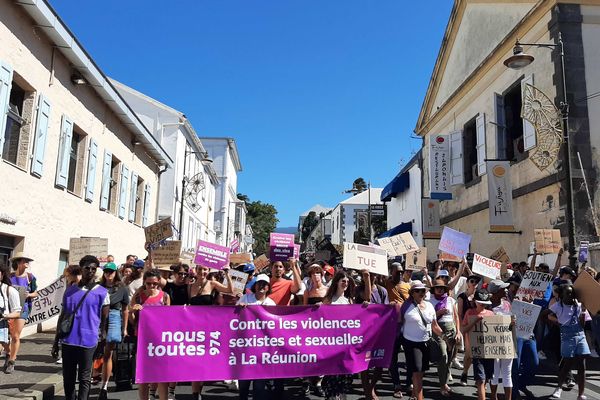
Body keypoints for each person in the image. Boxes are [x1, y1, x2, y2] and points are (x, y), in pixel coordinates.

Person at [52, 255, 109, 400]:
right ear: (81, 269)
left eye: (93, 269)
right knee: (68, 378)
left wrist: (101, 344)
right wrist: (55, 341)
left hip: (88, 341)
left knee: (84, 378)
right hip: (68, 340)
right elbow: (63, 316)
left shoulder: (102, 292)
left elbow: (104, 322)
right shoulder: (70, 290)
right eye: (87, 268)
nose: (90, 271)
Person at [189, 265, 233, 399]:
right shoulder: (190, 285)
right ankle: (195, 393)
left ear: (208, 271)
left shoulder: (212, 283)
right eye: (200, 269)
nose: (202, 272)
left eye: (205, 270)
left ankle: (199, 390)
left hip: (208, 327)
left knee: (203, 361)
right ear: (196, 270)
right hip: (193, 327)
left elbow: (229, 290)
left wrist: (227, 274)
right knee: (195, 360)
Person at [129, 269, 171, 400]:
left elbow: (170, 319)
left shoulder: (165, 296)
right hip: (142, 340)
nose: (152, 286)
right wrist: (132, 311)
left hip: (160, 340)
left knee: (162, 376)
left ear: (159, 282)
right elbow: (131, 319)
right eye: (148, 283)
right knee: (143, 376)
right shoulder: (138, 297)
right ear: (144, 283)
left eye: (155, 284)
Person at [399, 281, 443, 400]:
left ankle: (414, 394)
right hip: (411, 343)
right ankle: (419, 397)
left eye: (423, 290)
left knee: (421, 372)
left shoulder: (429, 306)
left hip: (426, 342)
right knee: (417, 373)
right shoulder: (405, 306)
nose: (420, 293)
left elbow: (434, 325)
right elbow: (399, 323)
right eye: (417, 290)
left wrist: (445, 338)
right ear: (412, 293)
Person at [236, 274, 275, 400]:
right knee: (243, 386)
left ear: (268, 287)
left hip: (262, 351)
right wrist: (239, 309)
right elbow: (233, 317)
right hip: (246, 349)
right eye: (259, 284)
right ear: (255, 286)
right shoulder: (246, 298)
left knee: (259, 387)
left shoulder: (271, 303)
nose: (261, 286)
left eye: (264, 284)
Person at [548, 282, 589, 400]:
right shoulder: (558, 306)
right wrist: (557, 322)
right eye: (568, 293)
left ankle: (581, 394)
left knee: (582, 365)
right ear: (562, 295)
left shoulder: (579, 305)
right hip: (567, 336)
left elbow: (582, 325)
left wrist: (582, 312)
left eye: (572, 293)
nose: (570, 296)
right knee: (567, 364)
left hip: (580, 336)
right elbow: (547, 315)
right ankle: (559, 388)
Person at [320, 271, 356, 400]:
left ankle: (340, 396)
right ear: (337, 282)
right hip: (331, 342)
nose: (345, 283)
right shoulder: (328, 300)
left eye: (347, 281)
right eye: (343, 281)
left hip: (345, 343)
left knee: (344, 374)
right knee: (332, 373)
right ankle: (331, 395)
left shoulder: (349, 300)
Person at [97, 262, 129, 400]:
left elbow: (125, 309)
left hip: (114, 317)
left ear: (116, 273)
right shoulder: (98, 287)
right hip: (98, 318)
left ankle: (104, 386)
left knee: (108, 353)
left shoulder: (122, 288)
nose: (109, 274)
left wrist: (125, 328)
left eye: (111, 271)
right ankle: (93, 376)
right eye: (106, 271)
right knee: (96, 351)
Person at [461, 288, 495, 400]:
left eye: (484, 304)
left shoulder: (491, 314)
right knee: (480, 379)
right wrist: (475, 321)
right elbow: (463, 330)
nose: (482, 306)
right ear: (475, 301)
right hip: (476, 350)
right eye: (480, 303)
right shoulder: (469, 313)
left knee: (486, 378)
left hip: (489, 351)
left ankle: (482, 394)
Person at [7, 252, 38, 374]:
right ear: (18, 262)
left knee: (15, 335)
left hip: (23, 309)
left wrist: (29, 294)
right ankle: (9, 352)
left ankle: (11, 361)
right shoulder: (9, 276)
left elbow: (36, 293)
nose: (27, 263)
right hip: (9, 309)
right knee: (8, 334)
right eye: (25, 261)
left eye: (28, 261)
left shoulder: (30, 278)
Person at [429, 278, 461, 396]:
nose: (440, 290)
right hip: (438, 330)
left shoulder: (451, 300)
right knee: (443, 356)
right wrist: (439, 313)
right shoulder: (429, 301)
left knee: (450, 357)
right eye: (437, 288)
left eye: (442, 288)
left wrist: (458, 332)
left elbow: (456, 317)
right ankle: (442, 385)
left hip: (451, 329)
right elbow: (429, 319)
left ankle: (445, 382)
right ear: (434, 289)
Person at [387, 263, 413, 397]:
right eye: (397, 272)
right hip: (393, 326)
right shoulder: (386, 284)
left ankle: (409, 383)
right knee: (393, 357)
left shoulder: (407, 286)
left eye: (401, 272)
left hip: (408, 325)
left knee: (410, 357)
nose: (400, 274)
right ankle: (396, 385)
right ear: (391, 271)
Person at [487, 280, 514, 400]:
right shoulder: (487, 306)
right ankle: (493, 397)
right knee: (495, 372)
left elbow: (512, 319)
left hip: (507, 341)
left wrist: (513, 321)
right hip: (493, 343)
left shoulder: (507, 303)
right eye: (503, 288)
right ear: (496, 292)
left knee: (507, 373)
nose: (506, 290)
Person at [457, 274, 480, 385]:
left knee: (479, 354)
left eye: (476, 281)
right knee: (469, 354)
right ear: (467, 283)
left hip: (479, 327)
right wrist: (462, 329)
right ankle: (465, 373)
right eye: (472, 281)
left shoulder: (480, 296)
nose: (474, 283)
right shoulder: (462, 297)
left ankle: (479, 378)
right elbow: (459, 314)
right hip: (467, 327)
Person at [1, 263, 22, 372]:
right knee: (5, 344)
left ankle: (11, 358)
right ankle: (9, 353)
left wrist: (4, 316)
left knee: (14, 337)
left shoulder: (10, 290)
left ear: (2, 274)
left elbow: (17, 312)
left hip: (4, 322)